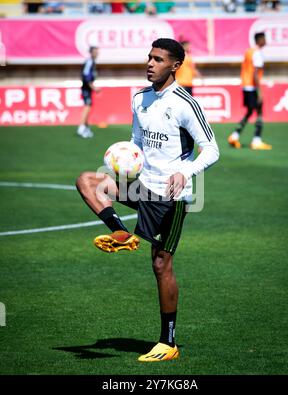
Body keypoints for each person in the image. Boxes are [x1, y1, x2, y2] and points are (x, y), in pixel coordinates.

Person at [76, 38, 219, 362]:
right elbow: (137, 140)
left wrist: (187, 171)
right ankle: (120, 233)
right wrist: (125, 158)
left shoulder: (185, 103)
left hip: (172, 194)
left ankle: (168, 343)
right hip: (141, 184)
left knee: (160, 264)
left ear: (175, 66)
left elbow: (211, 148)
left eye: (158, 59)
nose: (150, 63)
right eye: (149, 57)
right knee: (88, 181)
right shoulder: (139, 98)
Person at [228, 32, 272, 150]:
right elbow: (256, 73)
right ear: (260, 40)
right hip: (252, 86)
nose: (265, 41)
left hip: (246, 85)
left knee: (250, 111)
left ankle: (235, 135)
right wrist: (260, 91)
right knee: (259, 111)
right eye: (264, 39)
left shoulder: (249, 51)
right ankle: (256, 140)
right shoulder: (257, 53)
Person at [77, 46, 100, 138]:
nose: (97, 53)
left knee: (88, 106)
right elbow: (85, 75)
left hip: (88, 88)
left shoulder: (92, 62)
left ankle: (85, 127)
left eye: (97, 51)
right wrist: (93, 87)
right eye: (95, 51)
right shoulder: (89, 61)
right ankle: (81, 128)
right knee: (87, 107)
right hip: (86, 88)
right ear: (91, 52)